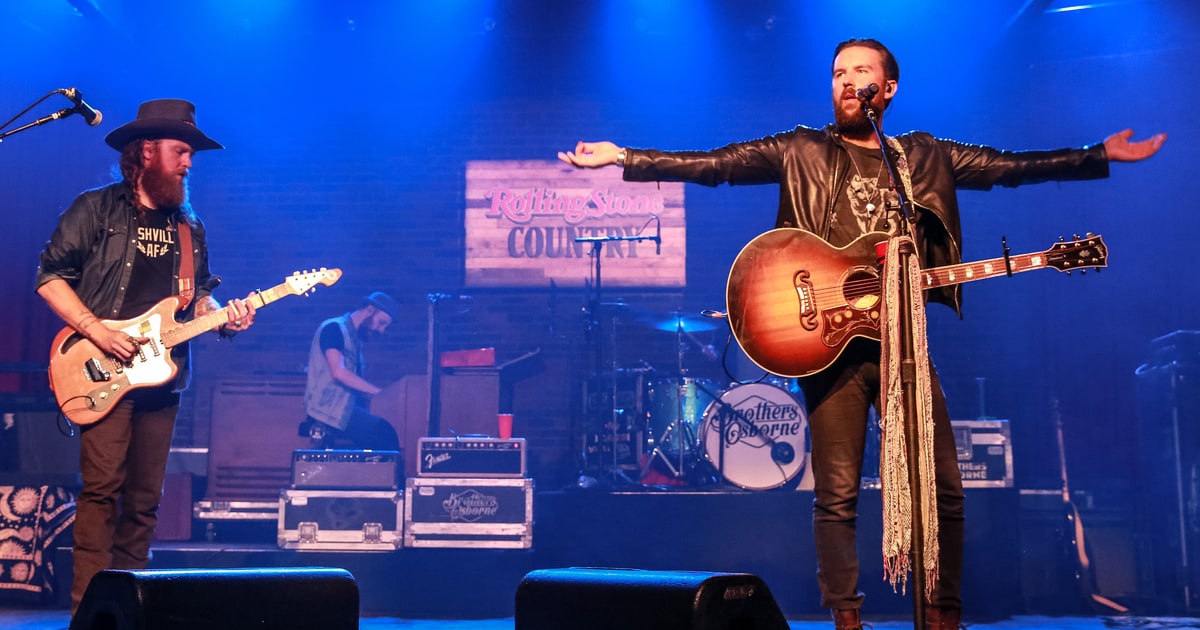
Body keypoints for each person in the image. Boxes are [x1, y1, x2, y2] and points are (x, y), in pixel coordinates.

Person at [559, 38, 1166, 630]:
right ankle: (846, 618)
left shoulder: (925, 158)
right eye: (838, 73)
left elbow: (1008, 167)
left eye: (859, 72)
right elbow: (716, 165)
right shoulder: (800, 149)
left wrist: (1097, 155)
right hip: (827, 341)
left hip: (904, 343)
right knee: (838, 492)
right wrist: (623, 157)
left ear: (888, 88)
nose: (846, 82)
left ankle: (943, 614)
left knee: (944, 487)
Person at [35, 98, 258, 615]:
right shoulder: (95, 209)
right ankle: (89, 616)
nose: (189, 163)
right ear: (147, 151)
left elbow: (197, 298)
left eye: (191, 154)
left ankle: (127, 614)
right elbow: (49, 278)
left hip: (163, 376)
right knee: (101, 491)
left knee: (143, 501)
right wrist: (97, 330)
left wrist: (224, 317)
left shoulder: (189, 226)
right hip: (103, 368)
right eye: (181, 151)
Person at [302, 291, 401, 452]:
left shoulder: (354, 340)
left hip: (343, 409)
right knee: (384, 433)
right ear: (370, 310)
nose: (381, 330)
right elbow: (339, 373)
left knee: (384, 430)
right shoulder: (334, 328)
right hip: (327, 410)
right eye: (381, 323)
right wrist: (379, 393)